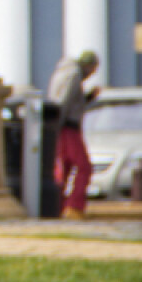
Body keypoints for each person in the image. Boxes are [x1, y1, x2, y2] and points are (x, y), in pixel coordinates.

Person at [48, 49, 101, 221]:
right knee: (83, 166)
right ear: (89, 65)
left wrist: (87, 98)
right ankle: (74, 206)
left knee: (65, 168)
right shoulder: (73, 75)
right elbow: (65, 101)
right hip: (68, 127)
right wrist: (58, 125)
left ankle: (59, 204)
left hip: (62, 126)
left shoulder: (64, 72)